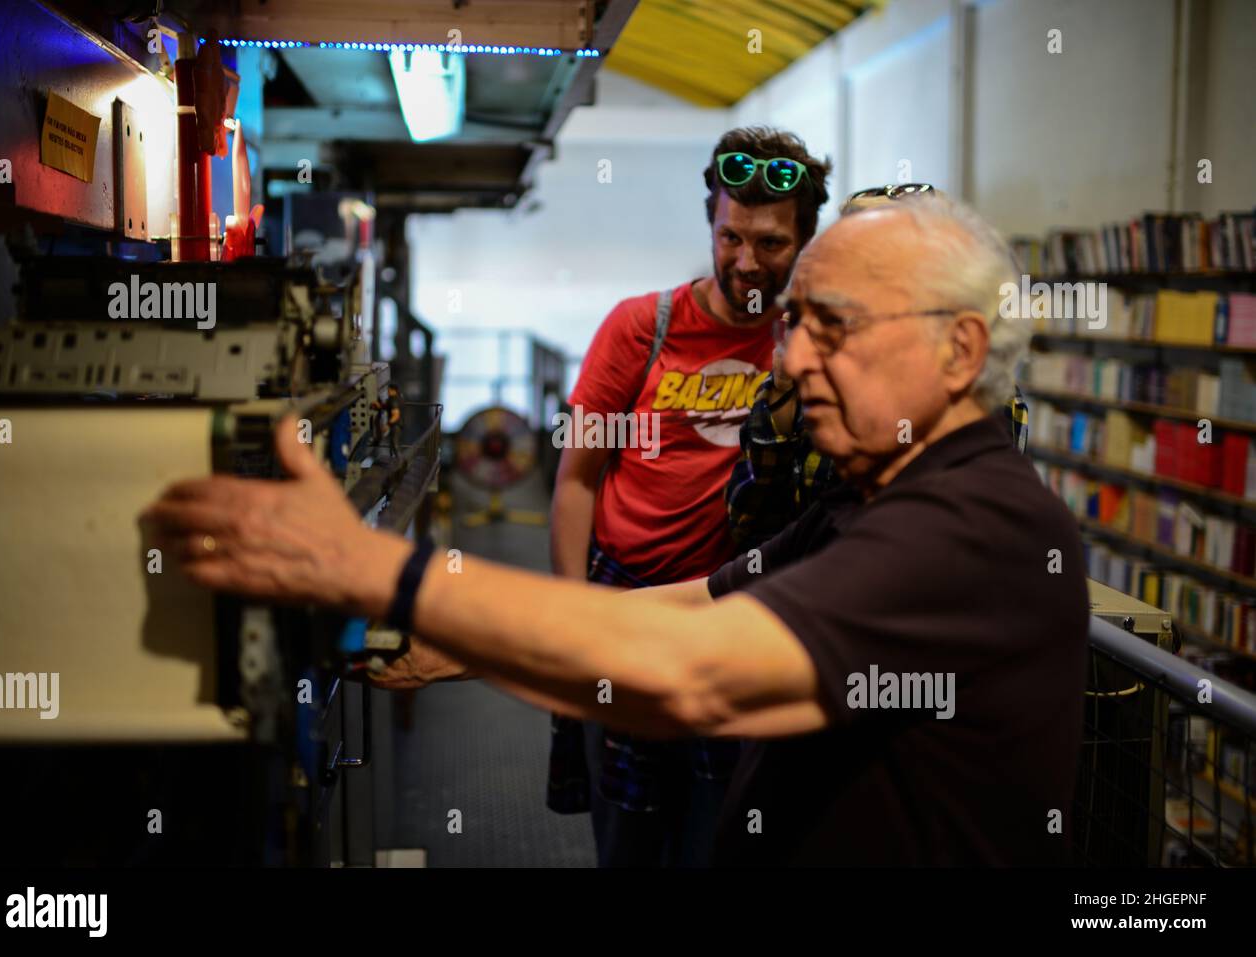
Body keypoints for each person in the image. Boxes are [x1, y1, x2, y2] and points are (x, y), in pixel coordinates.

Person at [144, 193, 1090, 866]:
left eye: (830, 326)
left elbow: (693, 673)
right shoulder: (861, 499)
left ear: (960, 349)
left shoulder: (976, 528)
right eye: (793, 323)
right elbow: (683, 609)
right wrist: (457, 650)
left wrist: (379, 569)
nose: (793, 357)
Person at [544, 126, 831, 866]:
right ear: (711, 221)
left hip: (738, 622)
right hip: (625, 610)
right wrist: (573, 619)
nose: (745, 260)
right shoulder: (641, 327)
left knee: (723, 832)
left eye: (770, 243)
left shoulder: (810, 345)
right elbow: (576, 481)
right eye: (730, 235)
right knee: (628, 833)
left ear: (804, 239)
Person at [725, 183, 1027, 551]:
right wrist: (784, 401)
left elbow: (929, 543)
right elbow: (749, 526)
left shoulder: (976, 391)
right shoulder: (810, 372)